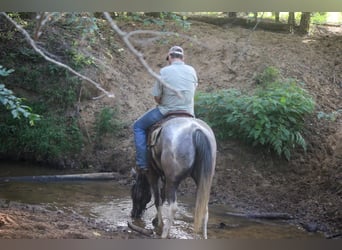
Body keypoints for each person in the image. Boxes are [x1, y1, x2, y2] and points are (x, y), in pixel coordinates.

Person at [133, 45, 198, 174]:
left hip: (166, 111)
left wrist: (165, 100)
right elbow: (193, 90)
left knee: (138, 126)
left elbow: (157, 97)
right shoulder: (192, 71)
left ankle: (142, 164)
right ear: (183, 58)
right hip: (189, 113)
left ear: (169, 57)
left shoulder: (164, 72)